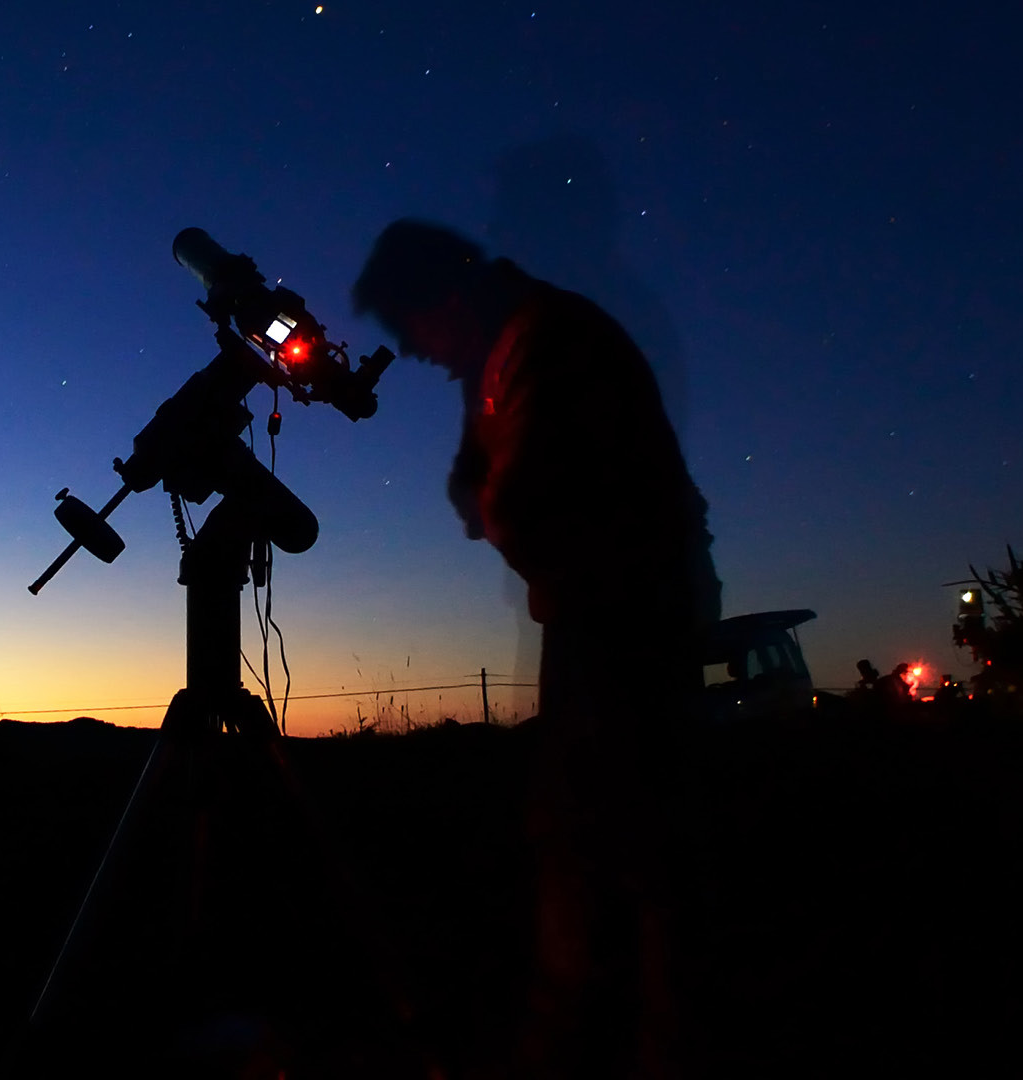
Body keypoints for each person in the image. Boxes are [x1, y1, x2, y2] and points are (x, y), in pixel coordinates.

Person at [353, 219, 721, 1079]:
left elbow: (516, 502)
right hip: (602, 614)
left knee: (618, 845)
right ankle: (603, 1025)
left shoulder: (546, 343)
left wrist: (493, 501)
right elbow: (477, 479)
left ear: (443, 295)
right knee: (591, 836)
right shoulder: (506, 348)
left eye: (410, 328)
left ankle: (623, 1039)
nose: (411, 351)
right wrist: (486, 491)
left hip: (626, 619)